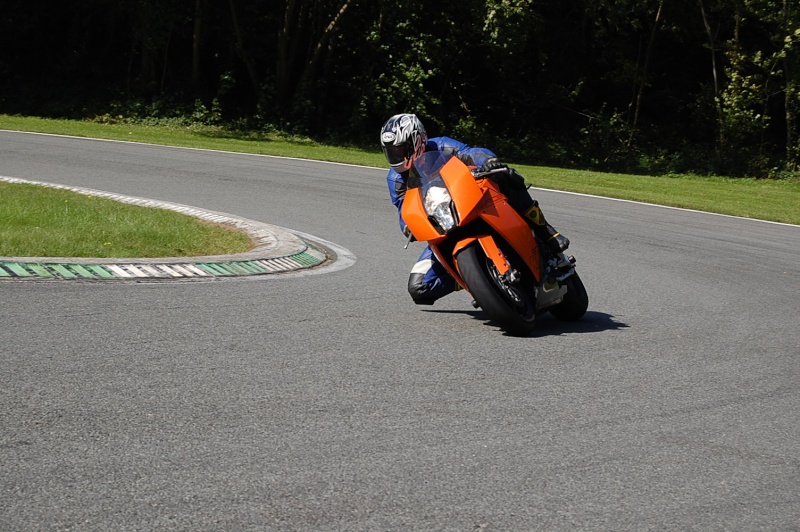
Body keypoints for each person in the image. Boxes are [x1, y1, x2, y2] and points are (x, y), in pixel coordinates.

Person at [381, 113, 569, 306]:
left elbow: (470, 152)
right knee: (419, 288)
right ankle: (476, 280)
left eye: (400, 150)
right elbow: (403, 208)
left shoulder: (441, 145)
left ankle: (545, 231)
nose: (395, 157)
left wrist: (487, 161)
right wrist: (408, 226)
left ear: (417, 140)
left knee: (507, 176)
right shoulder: (395, 180)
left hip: (471, 202)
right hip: (441, 222)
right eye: (391, 152)